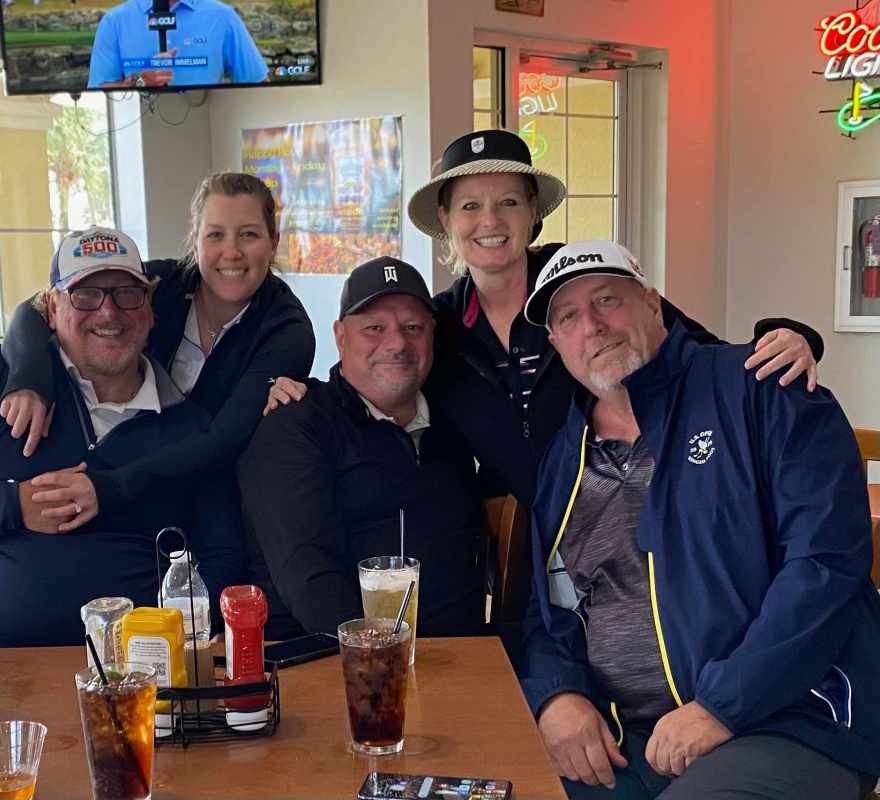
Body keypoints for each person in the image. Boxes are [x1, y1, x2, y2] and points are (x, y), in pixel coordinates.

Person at [267, 129, 823, 513]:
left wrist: (790, 338)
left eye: (508, 202)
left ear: (533, 212)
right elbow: (376, 384)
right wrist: (304, 394)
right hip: (530, 542)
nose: (490, 221)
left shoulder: (586, 289)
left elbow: (696, 354)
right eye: (470, 206)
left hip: (647, 507)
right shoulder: (438, 325)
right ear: (445, 218)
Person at [517, 240, 880, 799]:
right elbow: (549, 610)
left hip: (789, 722)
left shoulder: (761, 386)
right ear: (555, 343)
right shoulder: (565, 460)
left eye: (608, 299)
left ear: (653, 304)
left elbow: (826, 565)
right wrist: (558, 695)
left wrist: (720, 707)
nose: (592, 326)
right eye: (568, 317)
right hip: (624, 740)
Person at [0, 227, 232, 648]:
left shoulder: (188, 426)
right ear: (52, 309)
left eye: (127, 294)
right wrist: (14, 504)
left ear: (149, 310)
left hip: (137, 668)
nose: (108, 313)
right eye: (85, 295)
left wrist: (189, 646)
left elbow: (221, 552)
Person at [0, 173, 315, 627]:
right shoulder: (156, 285)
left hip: (210, 502)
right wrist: (29, 378)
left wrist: (108, 488)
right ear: (194, 240)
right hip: (117, 473)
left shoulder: (287, 330)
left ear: (273, 241)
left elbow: (221, 440)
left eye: (249, 234)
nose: (232, 252)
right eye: (215, 235)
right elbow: (34, 308)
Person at [238, 257, 486, 640]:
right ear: (340, 336)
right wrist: (383, 660)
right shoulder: (295, 427)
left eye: (413, 327)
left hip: (462, 655)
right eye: (374, 328)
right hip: (331, 660)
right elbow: (312, 583)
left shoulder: (454, 426)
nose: (397, 343)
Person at [88, 0, 269, 89]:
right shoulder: (114, 22)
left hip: (210, 129)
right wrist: (138, 81)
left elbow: (258, 86)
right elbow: (99, 93)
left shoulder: (223, 17)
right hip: (138, 135)